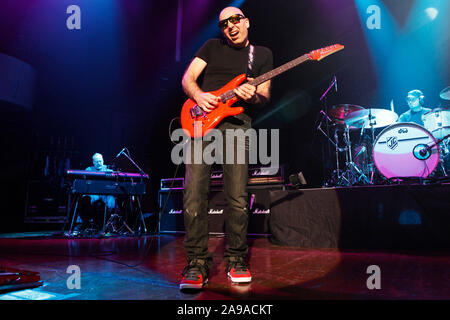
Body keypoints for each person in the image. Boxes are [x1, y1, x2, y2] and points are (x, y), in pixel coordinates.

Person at [179, 6, 273, 290]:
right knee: (194, 193)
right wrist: (200, 95)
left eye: (234, 20)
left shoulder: (263, 55)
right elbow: (187, 80)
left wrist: (252, 95)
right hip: (200, 121)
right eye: (223, 23)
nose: (229, 26)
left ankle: (236, 259)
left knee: (237, 197)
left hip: (236, 125)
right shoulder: (210, 46)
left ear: (246, 21)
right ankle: (196, 263)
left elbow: (265, 96)